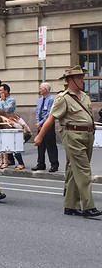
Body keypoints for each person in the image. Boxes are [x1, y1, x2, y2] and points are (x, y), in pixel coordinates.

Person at [34, 65, 102, 217]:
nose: (82, 80)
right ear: (70, 80)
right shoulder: (62, 98)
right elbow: (51, 118)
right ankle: (88, 206)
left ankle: (70, 206)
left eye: (82, 77)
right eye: (79, 77)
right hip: (72, 136)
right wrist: (39, 136)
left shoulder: (85, 96)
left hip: (88, 135)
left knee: (73, 170)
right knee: (84, 171)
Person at [33, 82, 59, 172]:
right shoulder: (40, 100)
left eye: (41, 88)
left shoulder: (51, 99)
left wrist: (41, 122)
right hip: (40, 125)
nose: (39, 90)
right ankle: (40, 163)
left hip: (48, 125)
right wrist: (37, 122)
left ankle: (54, 164)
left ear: (45, 89)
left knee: (50, 144)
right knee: (40, 145)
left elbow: (49, 114)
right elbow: (37, 112)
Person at [0, 84, 17, 166]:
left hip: (9, 120)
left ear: (6, 91)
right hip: (1, 121)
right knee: (1, 140)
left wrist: (3, 101)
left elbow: (6, 110)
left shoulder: (11, 100)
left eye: (1, 90)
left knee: (9, 140)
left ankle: (10, 159)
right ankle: (2, 160)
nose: (0, 92)